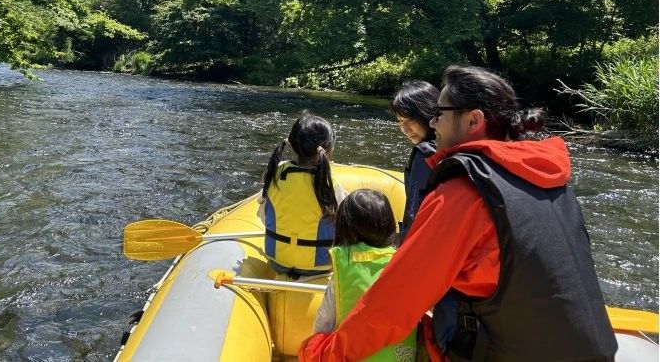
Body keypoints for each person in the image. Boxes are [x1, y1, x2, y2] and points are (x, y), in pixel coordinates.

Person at [300, 66, 618, 361]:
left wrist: (323, 352)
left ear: (473, 120)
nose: (433, 122)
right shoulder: (555, 184)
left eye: (440, 113)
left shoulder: (462, 193)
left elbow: (390, 308)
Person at [313, 189, 417, 362]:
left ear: (346, 230)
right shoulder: (405, 264)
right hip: (401, 356)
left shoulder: (344, 265)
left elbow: (322, 325)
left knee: (312, 347)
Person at [259, 113, 347, 276]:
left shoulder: (275, 175)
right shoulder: (331, 183)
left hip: (278, 261)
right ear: (328, 148)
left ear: (292, 145)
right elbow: (345, 227)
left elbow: (264, 217)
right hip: (321, 266)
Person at [389, 81, 439, 240]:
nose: (404, 129)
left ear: (428, 115)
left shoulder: (424, 155)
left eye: (410, 120)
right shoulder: (453, 145)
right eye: (400, 121)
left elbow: (414, 212)